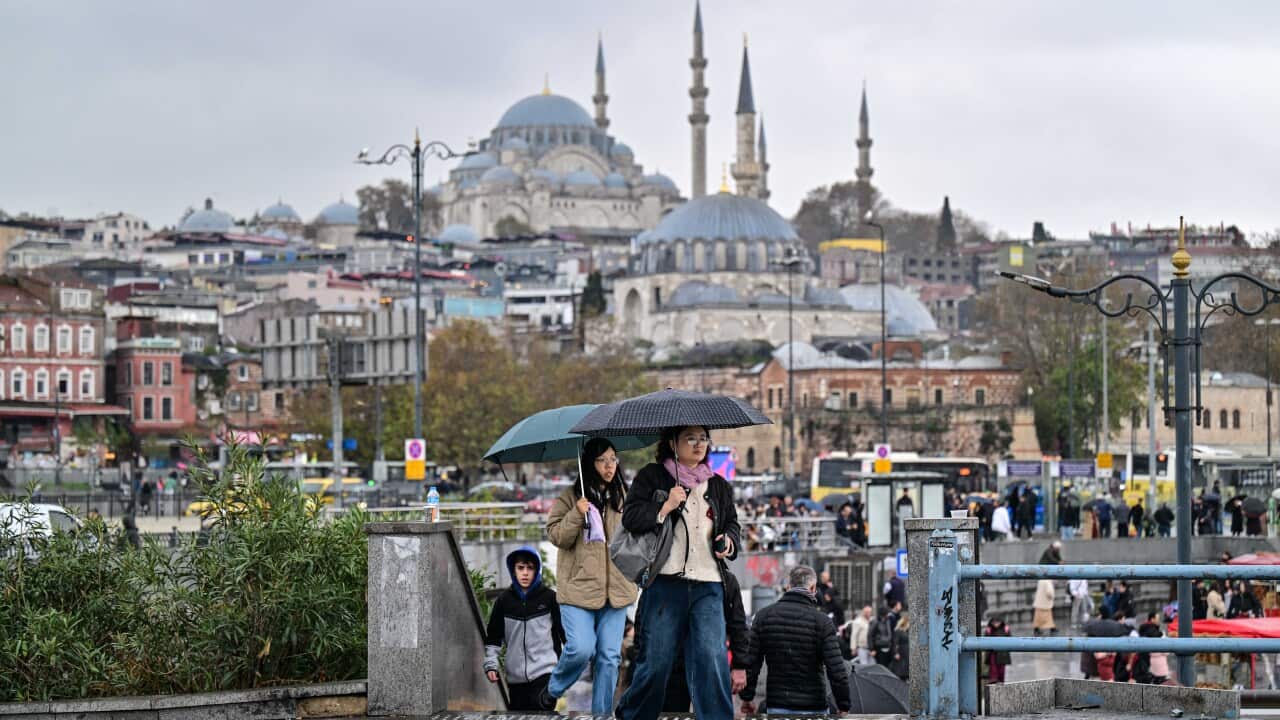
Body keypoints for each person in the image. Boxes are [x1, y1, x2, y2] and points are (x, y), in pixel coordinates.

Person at [615, 425, 740, 720]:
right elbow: (631, 517)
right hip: (665, 582)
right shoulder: (652, 476)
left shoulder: (718, 485)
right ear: (672, 442)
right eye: (690, 439)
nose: (699, 445)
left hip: (708, 583)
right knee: (656, 661)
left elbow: (732, 524)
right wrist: (665, 506)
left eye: (703, 439)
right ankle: (633, 715)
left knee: (712, 658)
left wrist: (729, 541)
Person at [543, 438, 638, 714]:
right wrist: (577, 513)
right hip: (578, 591)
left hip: (616, 590)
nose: (609, 466)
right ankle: (553, 689)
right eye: (602, 460)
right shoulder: (571, 497)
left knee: (609, 658)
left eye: (613, 459)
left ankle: (602, 714)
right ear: (589, 463)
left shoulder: (624, 498)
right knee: (582, 649)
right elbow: (556, 535)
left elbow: (637, 536)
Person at [739, 566, 851, 715]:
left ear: (788, 586)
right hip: (814, 707)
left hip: (777, 705)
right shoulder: (823, 622)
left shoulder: (763, 617)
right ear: (813, 588)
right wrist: (843, 705)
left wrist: (747, 699)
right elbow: (837, 671)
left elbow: (751, 664)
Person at [483, 547, 565, 710]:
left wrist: (562, 673)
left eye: (530, 568)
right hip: (515, 680)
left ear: (537, 570)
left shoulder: (550, 599)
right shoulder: (503, 601)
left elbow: (566, 637)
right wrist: (491, 664)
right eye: (521, 568)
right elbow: (493, 638)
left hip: (545, 676)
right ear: (513, 570)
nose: (525, 573)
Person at [661, 567, 750, 713]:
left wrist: (739, 666)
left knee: (712, 712)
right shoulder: (668, 575)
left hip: (709, 665)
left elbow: (738, 626)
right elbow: (646, 621)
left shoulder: (726, 580)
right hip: (675, 666)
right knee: (674, 710)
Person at [985, 615, 1012, 683]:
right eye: (994, 622)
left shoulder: (1005, 629)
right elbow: (986, 640)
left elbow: (1010, 639)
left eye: (997, 622)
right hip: (992, 652)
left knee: (1001, 669)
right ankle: (993, 679)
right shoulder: (989, 629)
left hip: (1002, 653)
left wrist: (1007, 631)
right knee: (993, 667)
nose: (996, 624)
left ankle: (1000, 681)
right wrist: (988, 632)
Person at [889, 612, 911, 681]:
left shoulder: (908, 631)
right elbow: (895, 643)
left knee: (907, 669)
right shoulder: (898, 631)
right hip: (902, 652)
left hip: (908, 651)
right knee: (901, 670)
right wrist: (895, 653)